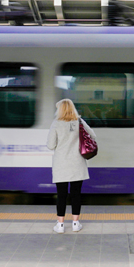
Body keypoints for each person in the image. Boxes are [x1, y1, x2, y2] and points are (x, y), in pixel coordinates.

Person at [47, 99, 96, 233]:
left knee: (61, 195)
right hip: (77, 163)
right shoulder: (79, 121)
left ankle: (60, 225)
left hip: (61, 164)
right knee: (76, 194)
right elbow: (93, 135)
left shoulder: (56, 123)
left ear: (60, 110)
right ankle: (75, 223)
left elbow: (50, 145)